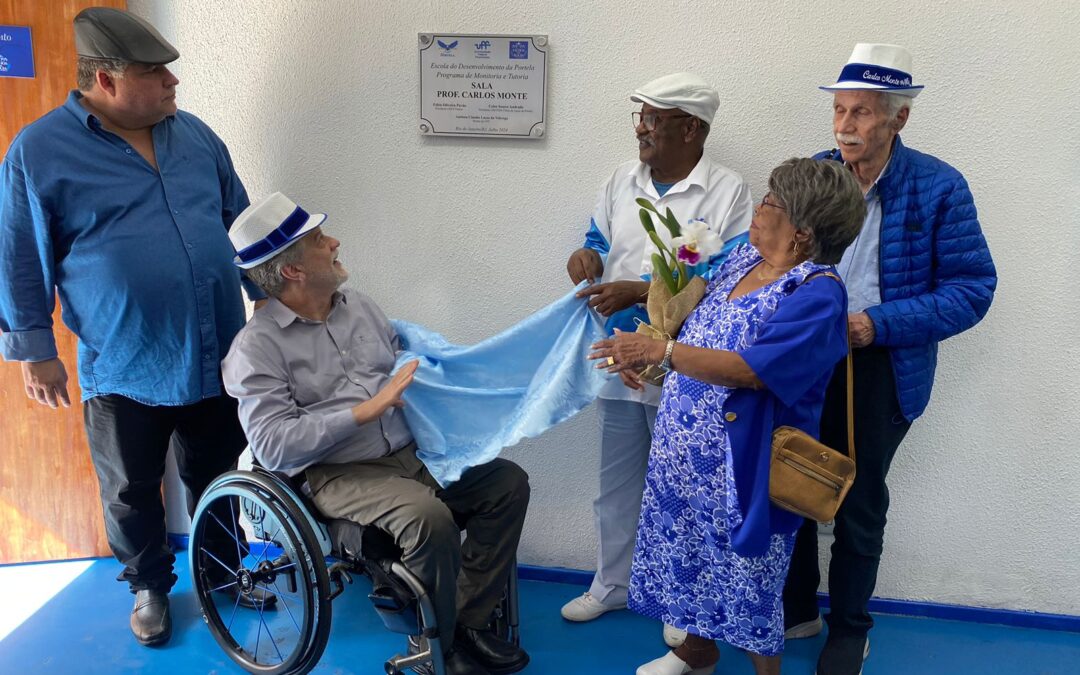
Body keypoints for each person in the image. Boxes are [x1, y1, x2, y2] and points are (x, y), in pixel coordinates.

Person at [0, 7, 267, 646]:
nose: (174, 84)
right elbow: (17, 255)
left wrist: (275, 304)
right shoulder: (38, 151)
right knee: (130, 489)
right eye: (156, 72)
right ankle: (149, 586)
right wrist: (35, 350)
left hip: (217, 350)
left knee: (219, 472)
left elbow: (244, 226)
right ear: (108, 80)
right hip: (124, 360)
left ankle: (224, 572)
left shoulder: (196, 135)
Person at [221, 192, 531, 675]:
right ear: (292, 271)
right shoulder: (255, 349)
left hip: (410, 451)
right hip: (338, 473)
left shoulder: (361, 307)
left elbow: (405, 372)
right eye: (321, 240)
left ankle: (463, 624)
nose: (335, 243)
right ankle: (439, 650)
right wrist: (364, 413)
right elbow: (273, 447)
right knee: (429, 518)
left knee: (506, 482)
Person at [591, 158, 865, 675]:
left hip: (746, 466)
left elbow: (752, 370)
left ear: (802, 235)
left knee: (749, 582)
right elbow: (696, 331)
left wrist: (659, 354)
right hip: (687, 455)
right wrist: (641, 357)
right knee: (689, 554)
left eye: (772, 204)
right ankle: (696, 652)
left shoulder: (816, 293)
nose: (759, 209)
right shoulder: (743, 259)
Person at [780, 44, 997, 675]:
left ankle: (850, 628)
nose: (844, 126)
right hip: (804, 358)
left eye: (862, 114)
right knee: (789, 479)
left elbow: (971, 289)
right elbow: (767, 255)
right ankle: (797, 608)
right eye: (840, 111)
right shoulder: (813, 174)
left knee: (859, 499)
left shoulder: (938, 186)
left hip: (879, 365)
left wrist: (875, 325)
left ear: (899, 120)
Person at [562, 73, 753, 644]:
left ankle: (680, 603)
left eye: (653, 118)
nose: (641, 129)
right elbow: (599, 239)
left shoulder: (727, 190)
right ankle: (612, 583)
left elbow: (728, 275)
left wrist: (640, 290)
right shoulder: (623, 180)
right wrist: (586, 257)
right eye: (639, 118)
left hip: (684, 364)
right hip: (620, 356)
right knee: (616, 482)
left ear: (691, 128)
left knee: (681, 487)